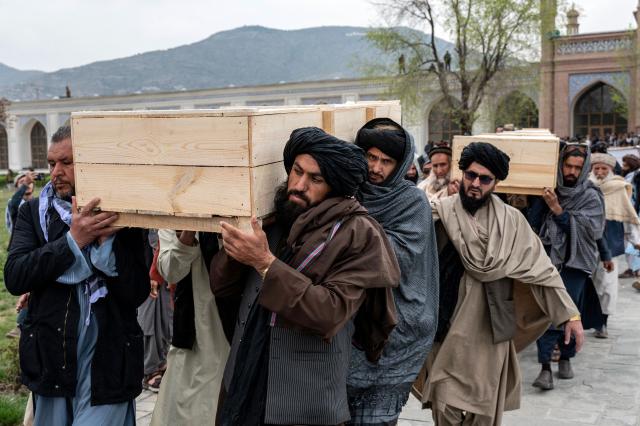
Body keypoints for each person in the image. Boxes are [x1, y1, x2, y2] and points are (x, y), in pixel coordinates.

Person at [211, 127, 400, 425]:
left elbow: (329, 311)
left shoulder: (358, 234)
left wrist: (265, 263)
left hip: (303, 401)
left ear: (336, 187)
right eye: (296, 171)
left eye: (316, 179)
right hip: (244, 377)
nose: (298, 185)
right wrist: (235, 249)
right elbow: (222, 287)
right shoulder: (275, 217)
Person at [419, 142, 584, 425]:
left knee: (483, 408)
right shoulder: (440, 213)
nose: (475, 184)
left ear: (496, 183)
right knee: (444, 403)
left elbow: (541, 270)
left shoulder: (512, 222)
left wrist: (570, 315)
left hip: (490, 326)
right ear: (462, 175)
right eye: (471, 175)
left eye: (485, 179)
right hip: (445, 325)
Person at [4, 125, 149, 425]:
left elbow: (136, 291)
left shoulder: (124, 217)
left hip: (109, 361)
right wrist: (73, 240)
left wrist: (106, 242)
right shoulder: (32, 213)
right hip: (52, 360)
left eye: (67, 163)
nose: (56, 172)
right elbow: (15, 275)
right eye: (51, 163)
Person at [348, 118, 438, 425]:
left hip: (399, 330)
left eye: (386, 161)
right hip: (349, 335)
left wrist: (351, 227)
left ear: (400, 165)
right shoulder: (348, 192)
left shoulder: (412, 201)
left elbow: (396, 259)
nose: (376, 168)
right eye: (370, 157)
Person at [532, 144, 605, 390]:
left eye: (577, 167)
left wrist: (559, 211)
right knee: (546, 313)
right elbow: (531, 221)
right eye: (568, 166)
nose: (572, 171)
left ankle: (566, 357)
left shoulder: (591, 195)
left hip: (575, 263)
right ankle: (544, 368)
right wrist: (544, 204)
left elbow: (593, 230)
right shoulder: (548, 189)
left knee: (570, 312)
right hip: (547, 259)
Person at [150, 227, 229, 424]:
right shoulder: (175, 215)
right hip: (194, 327)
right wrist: (187, 234)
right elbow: (170, 271)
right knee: (186, 409)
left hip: (234, 323)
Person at [587, 153, 639, 337]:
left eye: (604, 169)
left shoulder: (618, 188)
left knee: (607, 286)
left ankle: (603, 323)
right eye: (597, 168)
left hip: (610, 245)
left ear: (610, 170)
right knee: (586, 284)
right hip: (585, 246)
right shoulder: (585, 187)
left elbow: (628, 216)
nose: (600, 172)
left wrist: (636, 240)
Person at [137, 230, 173, 393]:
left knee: (166, 319)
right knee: (149, 321)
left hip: (163, 263)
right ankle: (149, 370)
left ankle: (161, 363)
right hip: (147, 266)